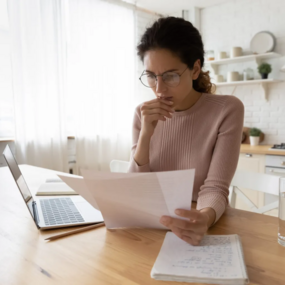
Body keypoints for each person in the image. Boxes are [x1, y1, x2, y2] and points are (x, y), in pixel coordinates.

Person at [128, 17, 244, 245]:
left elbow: (215, 187)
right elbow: (137, 191)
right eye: (151, 76)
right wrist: (145, 137)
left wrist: (204, 218)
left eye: (171, 76)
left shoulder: (227, 110)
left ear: (195, 69)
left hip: (200, 227)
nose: (159, 89)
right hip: (150, 230)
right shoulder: (142, 114)